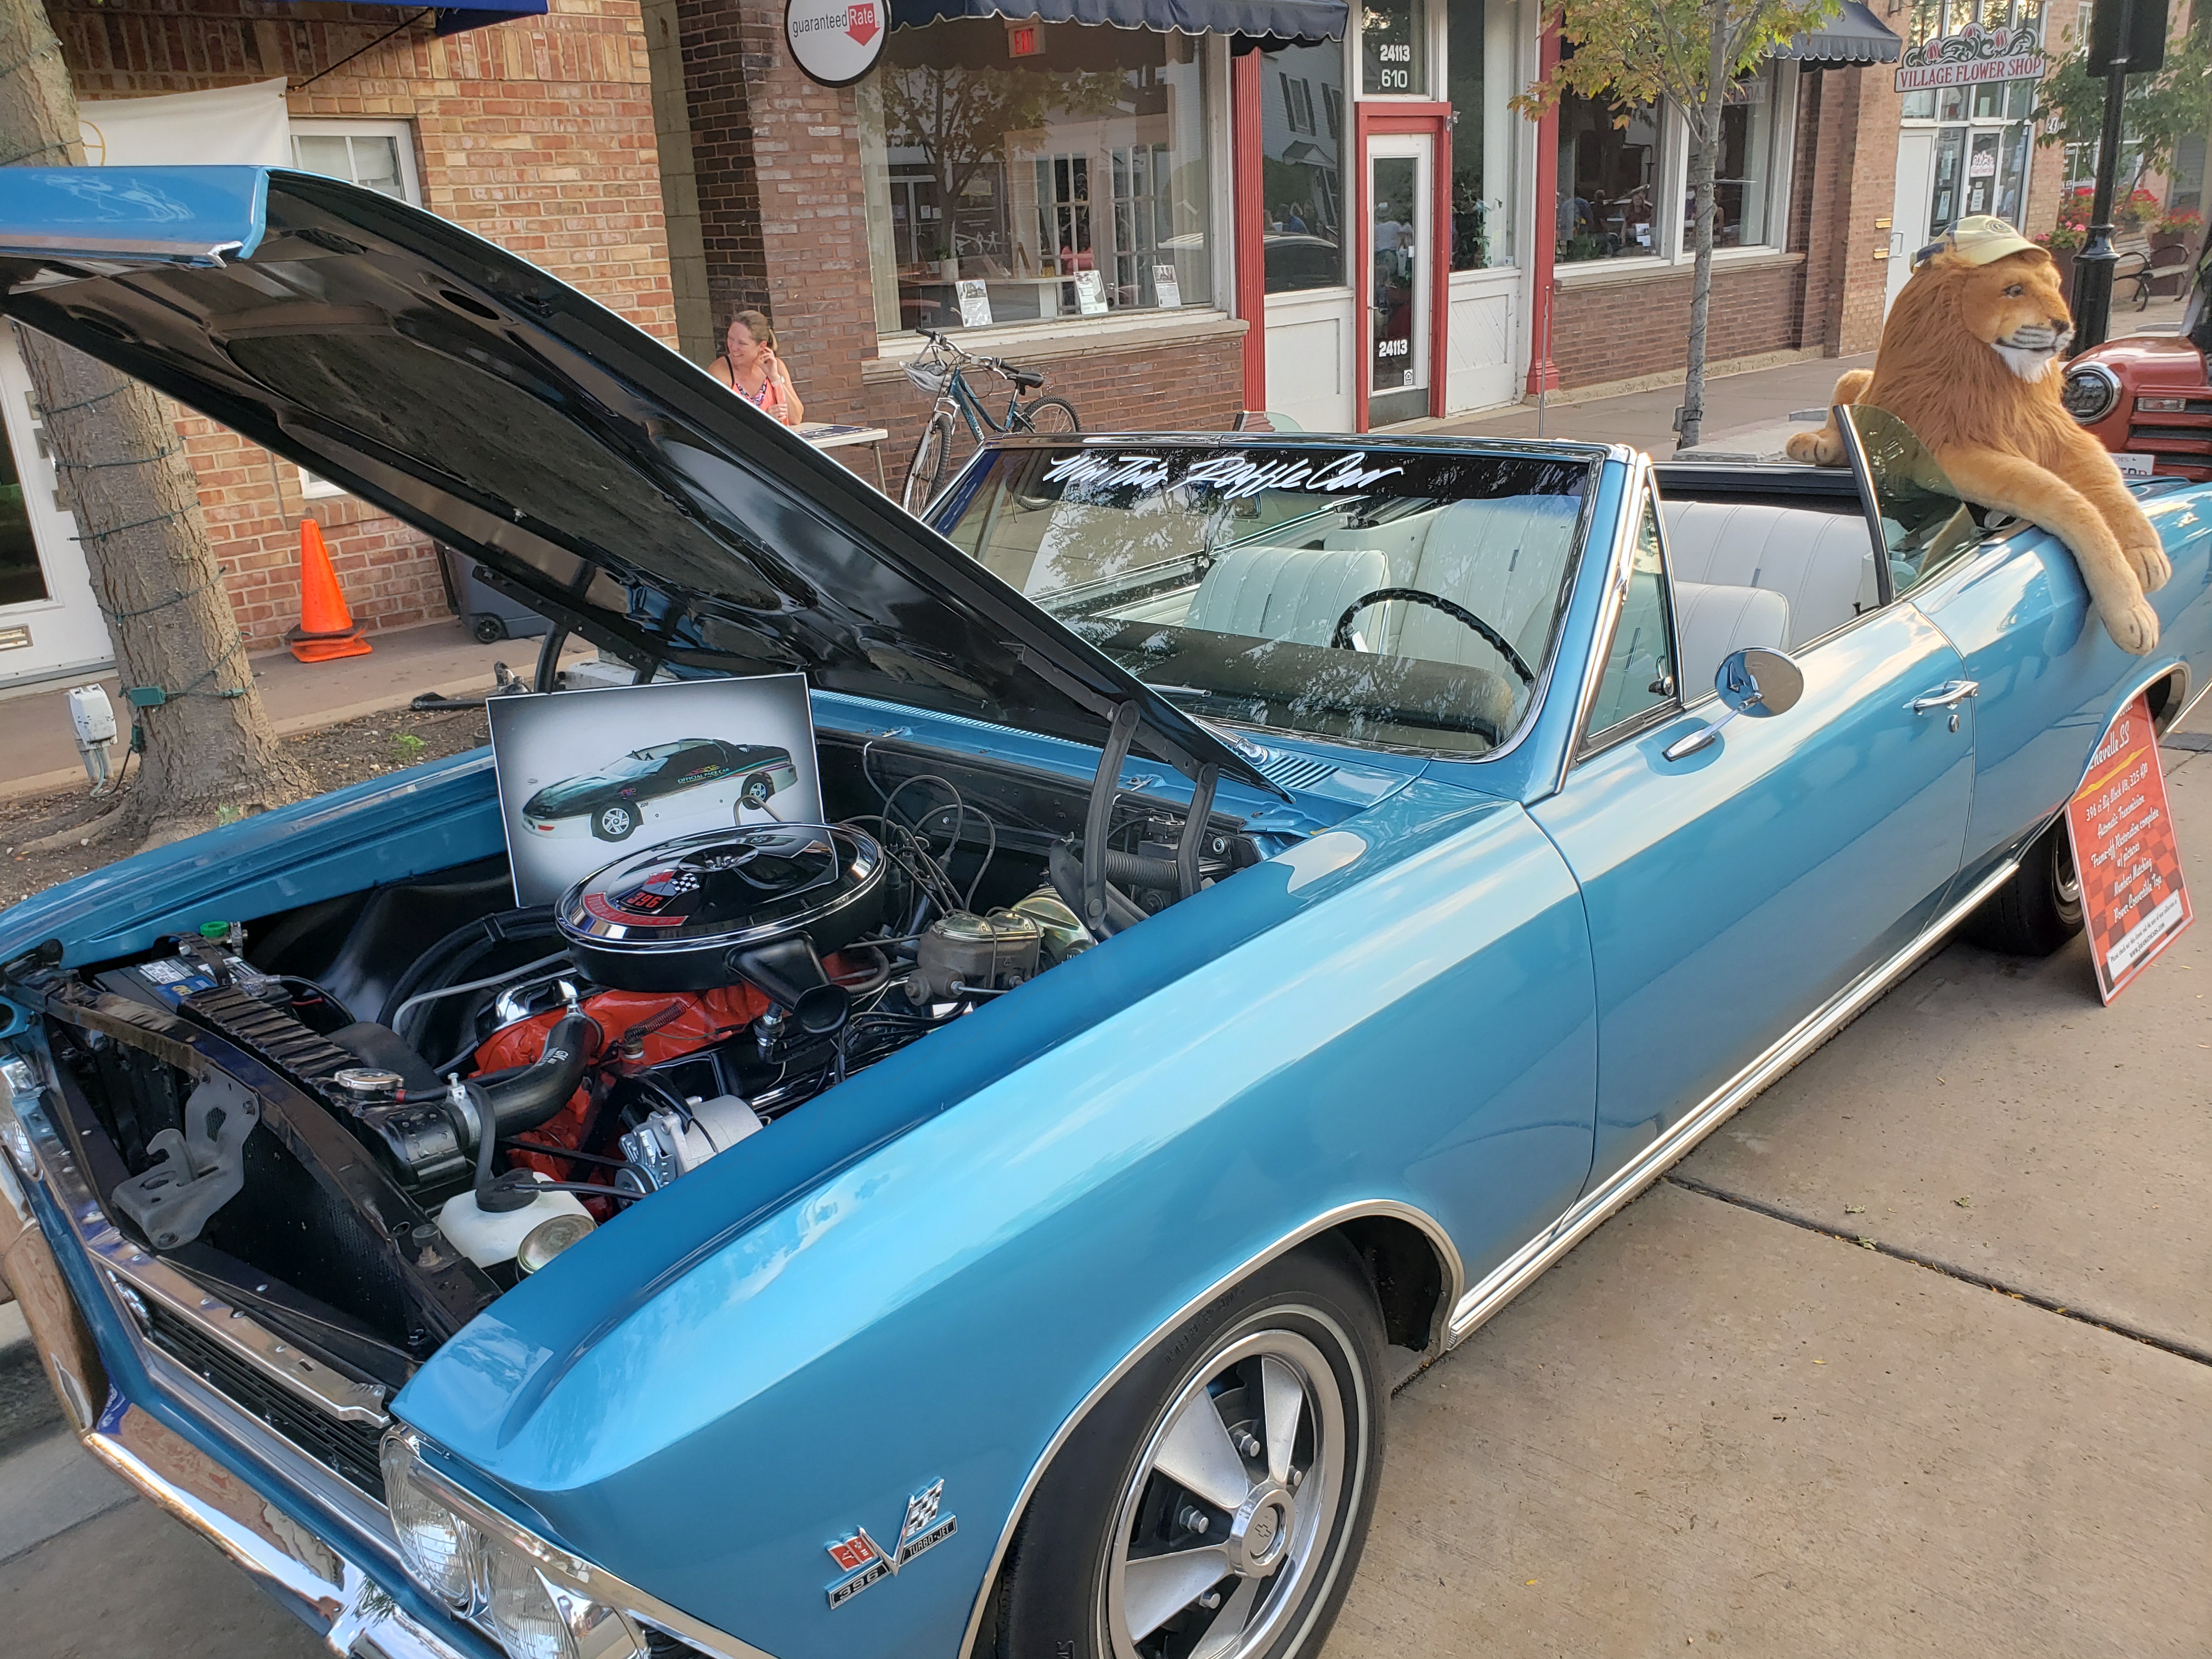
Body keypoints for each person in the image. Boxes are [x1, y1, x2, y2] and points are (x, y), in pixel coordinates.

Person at [712, 309, 803, 426]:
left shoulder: (776, 366)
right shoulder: (720, 370)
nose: (733, 347)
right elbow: (720, 421)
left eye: (742, 343)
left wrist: (775, 378)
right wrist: (763, 419)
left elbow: (795, 418)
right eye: (730, 338)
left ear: (762, 346)